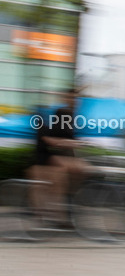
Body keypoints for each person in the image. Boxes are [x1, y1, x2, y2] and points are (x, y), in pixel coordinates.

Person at [28, 89, 88, 227]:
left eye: (76, 99)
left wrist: (73, 144)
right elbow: (52, 140)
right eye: (71, 98)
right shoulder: (60, 114)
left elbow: (66, 139)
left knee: (74, 174)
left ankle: (64, 212)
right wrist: (73, 144)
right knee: (60, 180)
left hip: (56, 157)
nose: (74, 101)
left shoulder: (69, 116)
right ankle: (59, 215)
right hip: (49, 158)